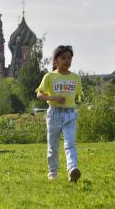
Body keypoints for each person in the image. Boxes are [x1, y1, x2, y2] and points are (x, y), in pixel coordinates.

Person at [36, 45, 83, 182]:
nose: (67, 60)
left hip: (70, 114)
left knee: (70, 144)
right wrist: (53, 98)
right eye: (63, 58)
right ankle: (52, 173)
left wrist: (76, 102)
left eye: (69, 58)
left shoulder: (76, 78)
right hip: (54, 114)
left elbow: (79, 96)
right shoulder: (49, 77)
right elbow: (39, 94)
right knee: (53, 146)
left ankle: (72, 169)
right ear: (55, 60)